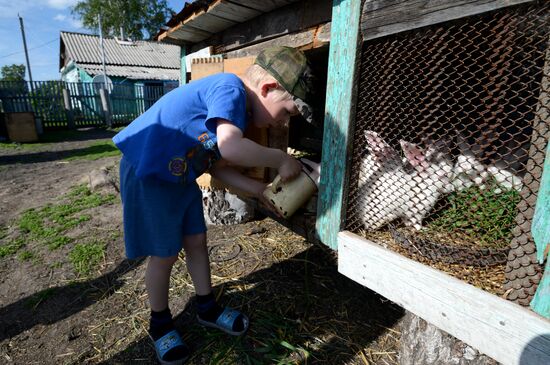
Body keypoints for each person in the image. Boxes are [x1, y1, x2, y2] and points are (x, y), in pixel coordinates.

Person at [112, 46, 316, 364]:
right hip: (148, 171)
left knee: (196, 240)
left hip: (179, 176)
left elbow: (219, 166)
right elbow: (230, 148)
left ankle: (207, 308)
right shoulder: (229, 88)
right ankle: (160, 323)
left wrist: (261, 190)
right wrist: (279, 158)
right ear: (268, 88)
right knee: (164, 253)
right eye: (287, 111)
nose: (282, 123)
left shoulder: (234, 117)